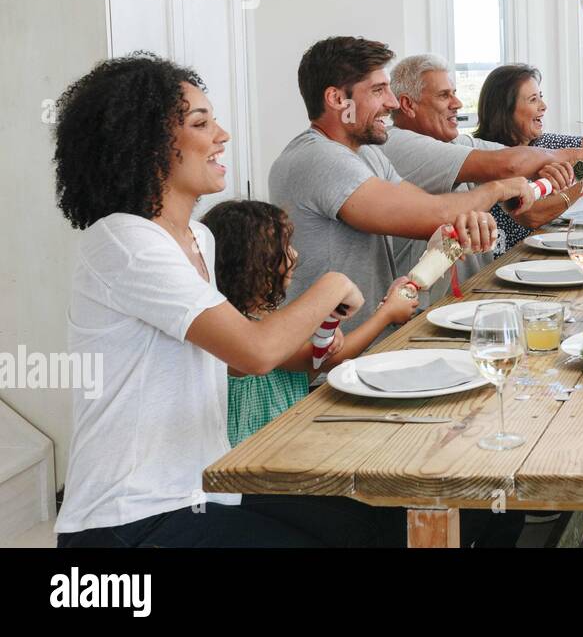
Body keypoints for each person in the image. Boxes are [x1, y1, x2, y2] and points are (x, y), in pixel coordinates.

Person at [53, 54, 404, 546]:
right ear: (147, 144)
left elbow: (228, 363)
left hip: (209, 487)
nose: (222, 135)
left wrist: (317, 342)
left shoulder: (199, 236)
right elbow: (253, 353)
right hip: (130, 517)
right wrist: (329, 287)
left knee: (381, 522)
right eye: (201, 123)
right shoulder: (124, 240)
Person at [269, 37, 522, 330]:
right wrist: (498, 188)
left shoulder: (367, 152)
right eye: (378, 91)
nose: (391, 103)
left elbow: (430, 212)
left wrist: (460, 223)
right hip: (331, 363)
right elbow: (435, 215)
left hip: (371, 347)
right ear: (338, 99)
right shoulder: (319, 158)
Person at [201, 200, 421, 446]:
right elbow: (323, 361)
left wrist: (326, 336)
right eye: (282, 247)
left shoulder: (265, 319)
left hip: (283, 440)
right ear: (249, 263)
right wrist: (387, 314)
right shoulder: (247, 331)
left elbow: (318, 355)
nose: (294, 254)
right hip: (259, 452)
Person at [385, 55, 583, 268]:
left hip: (475, 285)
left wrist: (568, 164)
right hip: (428, 301)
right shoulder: (397, 143)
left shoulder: (458, 142)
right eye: (444, 95)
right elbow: (509, 165)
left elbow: (518, 158)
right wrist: (575, 167)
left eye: (454, 93)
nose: (458, 103)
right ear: (407, 105)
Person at [472, 63, 583, 251]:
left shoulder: (538, 142)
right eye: (533, 100)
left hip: (538, 250)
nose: (544, 106)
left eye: (541, 97)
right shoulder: (489, 156)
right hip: (505, 262)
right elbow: (531, 216)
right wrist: (582, 185)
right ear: (505, 111)